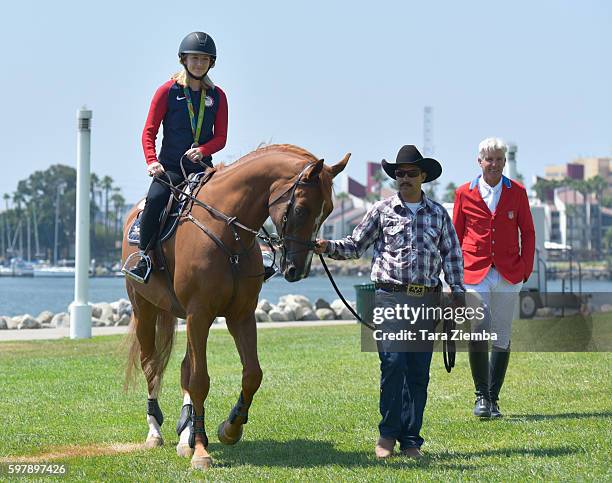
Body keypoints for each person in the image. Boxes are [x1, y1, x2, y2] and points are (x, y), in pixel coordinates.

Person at [315, 145, 465, 459]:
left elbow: (452, 255)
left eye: (411, 173)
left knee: (418, 372)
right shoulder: (382, 210)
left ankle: (411, 440)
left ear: (424, 176)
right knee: (393, 364)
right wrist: (327, 246)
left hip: (427, 300)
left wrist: (458, 293)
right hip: (390, 297)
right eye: (400, 173)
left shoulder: (438, 214)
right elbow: (355, 245)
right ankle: (387, 435)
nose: (405, 178)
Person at [123, 31, 228, 283]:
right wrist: (152, 161)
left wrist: (203, 150)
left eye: (204, 59)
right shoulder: (166, 91)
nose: (199, 64)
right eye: (194, 58)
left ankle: (257, 257)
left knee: (235, 202)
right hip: (170, 168)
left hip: (203, 169)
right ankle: (144, 257)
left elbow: (220, 138)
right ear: (183, 60)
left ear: (210, 63)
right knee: (155, 200)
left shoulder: (218, 96)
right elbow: (149, 131)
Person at [453, 137, 535, 418]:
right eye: (490, 159)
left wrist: (525, 269)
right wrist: (453, 274)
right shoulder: (464, 193)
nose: (495, 164)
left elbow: (529, 231)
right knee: (479, 327)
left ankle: (493, 400)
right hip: (474, 271)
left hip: (509, 273)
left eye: (500, 159)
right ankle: (480, 396)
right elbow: (455, 235)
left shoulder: (518, 192)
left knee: (502, 335)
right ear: (480, 162)